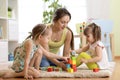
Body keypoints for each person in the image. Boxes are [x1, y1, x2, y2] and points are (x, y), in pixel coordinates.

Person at [1, 24, 67, 79]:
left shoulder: (37, 44)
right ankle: (15, 74)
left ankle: (34, 69)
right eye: (48, 38)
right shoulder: (29, 43)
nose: (48, 41)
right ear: (40, 37)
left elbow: (48, 54)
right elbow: (26, 60)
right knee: (36, 74)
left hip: (26, 65)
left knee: (39, 52)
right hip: (20, 66)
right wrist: (25, 74)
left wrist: (62, 57)